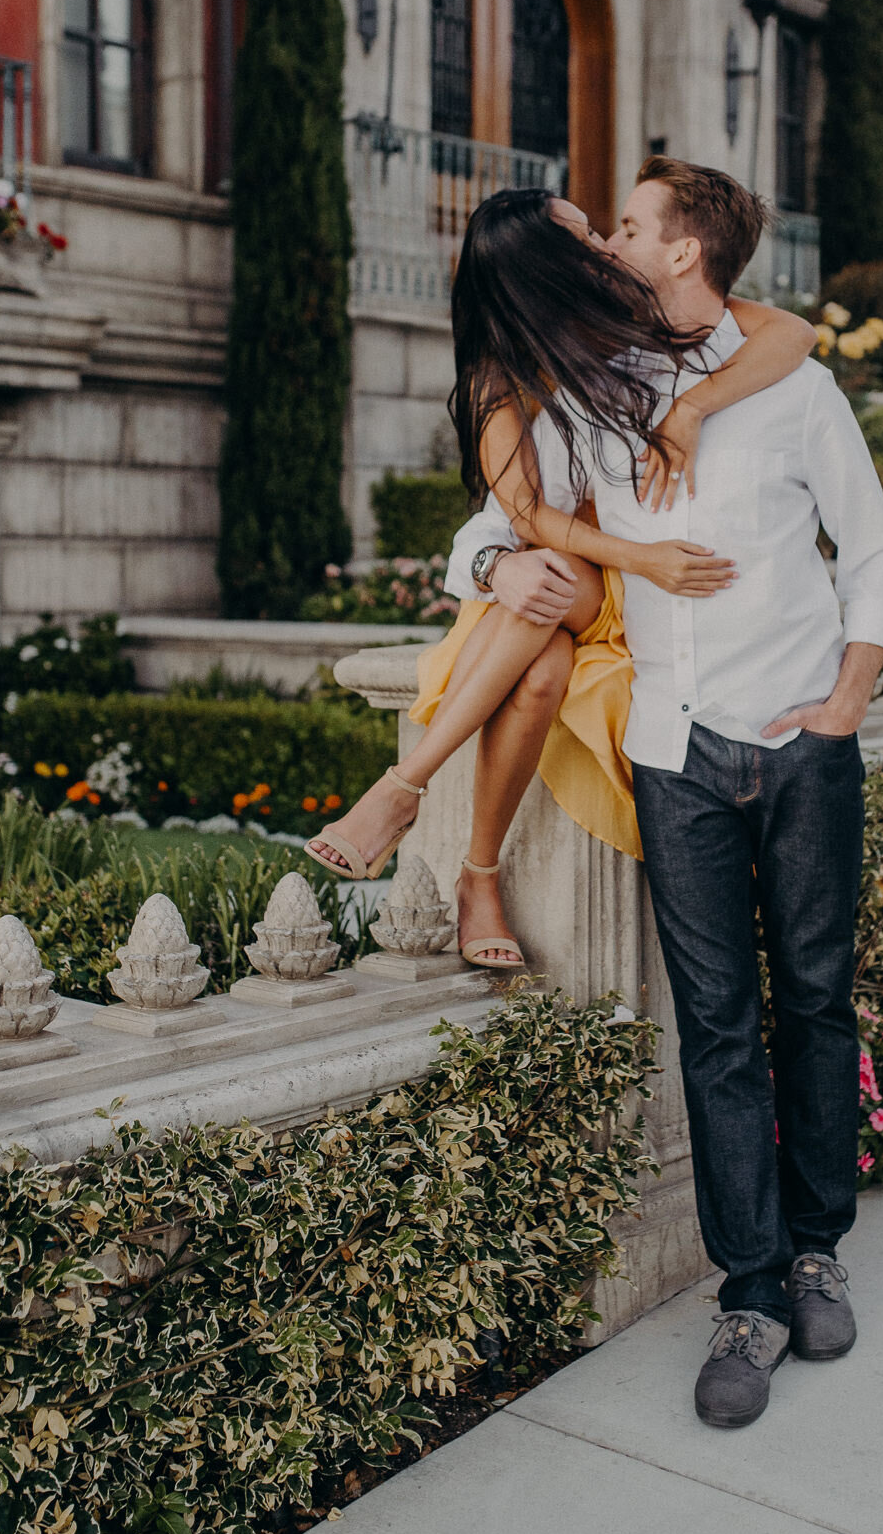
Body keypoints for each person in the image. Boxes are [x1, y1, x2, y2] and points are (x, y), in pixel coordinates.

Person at [448, 155, 883, 1425]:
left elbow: (873, 548)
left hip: (804, 738)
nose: (607, 232)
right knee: (714, 1024)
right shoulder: (589, 386)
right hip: (674, 746)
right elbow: (498, 516)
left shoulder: (793, 383)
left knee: (813, 999)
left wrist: (847, 699)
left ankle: (817, 1245)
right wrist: (497, 570)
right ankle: (750, 1291)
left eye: (631, 222)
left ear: (682, 252)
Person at [305, 185, 817, 968]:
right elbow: (526, 517)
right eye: (584, 234)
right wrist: (614, 559)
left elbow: (792, 331)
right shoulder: (496, 378)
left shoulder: (639, 326)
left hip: (606, 587)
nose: (605, 244)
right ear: (545, 261)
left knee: (542, 595)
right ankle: (477, 875)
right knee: (539, 660)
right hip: (576, 579)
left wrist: (693, 408)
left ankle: (403, 788)